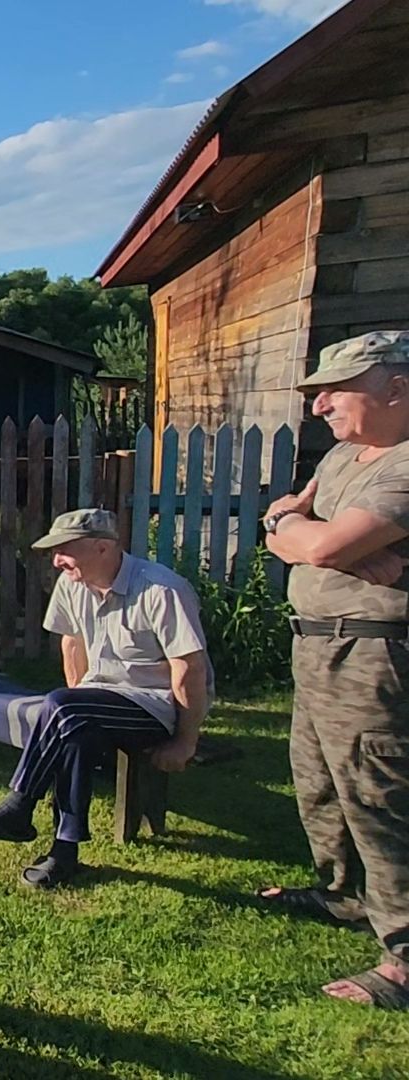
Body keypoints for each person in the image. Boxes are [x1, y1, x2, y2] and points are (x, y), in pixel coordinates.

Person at [262, 330, 409, 1011]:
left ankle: (404, 957)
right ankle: (345, 894)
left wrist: (318, 545)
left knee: (380, 794)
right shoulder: (351, 455)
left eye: (333, 391)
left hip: (375, 652)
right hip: (317, 644)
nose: (319, 405)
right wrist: (321, 546)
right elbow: (283, 518)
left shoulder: (404, 466)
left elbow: (313, 538)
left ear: (395, 390)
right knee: (319, 780)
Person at [0, 509, 210, 889]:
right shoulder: (73, 583)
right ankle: (63, 853)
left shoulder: (161, 590)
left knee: (63, 705)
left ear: (102, 548)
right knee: (74, 728)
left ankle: (18, 808)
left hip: (157, 706)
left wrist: (185, 741)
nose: (56, 561)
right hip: (99, 699)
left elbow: (190, 670)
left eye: (64, 550)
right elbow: (72, 645)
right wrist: (76, 706)